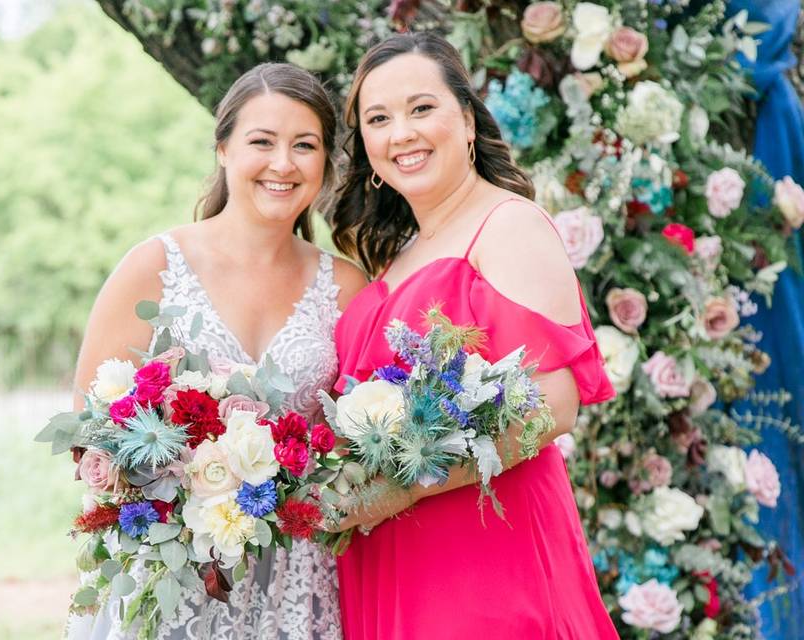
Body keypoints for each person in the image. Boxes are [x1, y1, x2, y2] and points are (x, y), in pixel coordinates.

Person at [328, 32, 619, 639]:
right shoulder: (394, 254)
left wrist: (406, 489)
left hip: (486, 554)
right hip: (392, 556)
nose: (400, 132)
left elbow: (554, 405)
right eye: (378, 119)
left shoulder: (507, 225)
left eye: (421, 108)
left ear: (466, 120)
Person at [66, 62, 366, 640]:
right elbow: (87, 429)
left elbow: (352, 444)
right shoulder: (154, 267)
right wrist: (181, 490)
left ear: (325, 163)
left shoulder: (348, 289)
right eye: (262, 141)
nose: (283, 164)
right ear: (223, 147)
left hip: (294, 581)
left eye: (305, 145)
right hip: (168, 572)